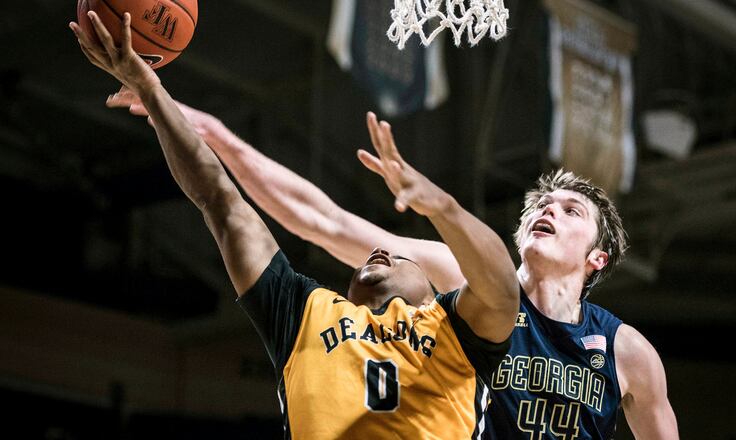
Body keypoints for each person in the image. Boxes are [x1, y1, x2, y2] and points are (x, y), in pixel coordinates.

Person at [103, 28, 679, 440]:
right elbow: (325, 221)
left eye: (571, 210)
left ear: (598, 257)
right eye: (540, 205)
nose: (547, 211)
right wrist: (220, 139)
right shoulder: (458, 283)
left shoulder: (626, 351)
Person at [70, 11, 520, 439]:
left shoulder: (455, 327)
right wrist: (150, 88)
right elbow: (221, 202)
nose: (379, 251)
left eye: (400, 256)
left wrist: (442, 207)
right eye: (379, 252)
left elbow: (502, 289)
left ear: (434, 290)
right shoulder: (303, 312)